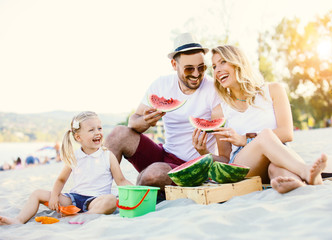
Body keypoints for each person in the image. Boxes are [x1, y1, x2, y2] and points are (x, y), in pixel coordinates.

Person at [192, 45, 327, 194]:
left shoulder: (273, 90)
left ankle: (299, 186)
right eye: (214, 66)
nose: (217, 70)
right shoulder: (219, 111)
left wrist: (245, 138)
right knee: (266, 135)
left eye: (223, 62)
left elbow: (287, 133)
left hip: (278, 157)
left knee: (276, 169)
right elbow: (225, 158)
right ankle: (305, 171)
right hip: (243, 165)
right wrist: (204, 153)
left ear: (238, 62)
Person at [105, 33, 221, 193]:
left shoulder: (213, 89)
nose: (196, 74)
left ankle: (136, 195)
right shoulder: (161, 84)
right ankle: (99, 195)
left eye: (201, 68)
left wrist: (205, 152)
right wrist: (146, 121)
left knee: (152, 175)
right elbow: (133, 122)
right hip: (165, 155)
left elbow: (223, 150)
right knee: (118, 134)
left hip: (194, 166)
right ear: (174, 64)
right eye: (189, 68)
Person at [0, 111, 132, 225]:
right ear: (78, 137)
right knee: (37, 193)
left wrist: (140, 191)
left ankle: (85, 216)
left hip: (96, 200)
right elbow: (61, 180)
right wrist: (54, 196)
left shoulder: (108, 156)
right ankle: (18, 220)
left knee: (111, 200)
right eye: (91, 130)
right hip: (73, 199)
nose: (97, 132)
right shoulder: (75, 156)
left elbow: (121, 181)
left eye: (99, 128)